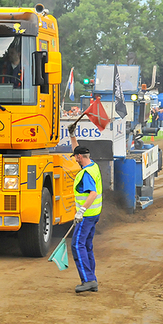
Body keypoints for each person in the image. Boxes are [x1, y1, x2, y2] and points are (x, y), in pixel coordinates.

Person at [66, 121, 102, 293]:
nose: (75, 159)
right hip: (95, 214)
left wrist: (81, 211)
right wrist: (73, 136)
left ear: (80, 158)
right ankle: (92, 278)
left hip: (86, 216)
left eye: (75, 157)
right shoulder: (92, 165)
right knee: (87, 245)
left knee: (77, 245)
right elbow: (78, 151)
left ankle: (88, 280)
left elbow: (93, 193)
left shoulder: (86, 174)